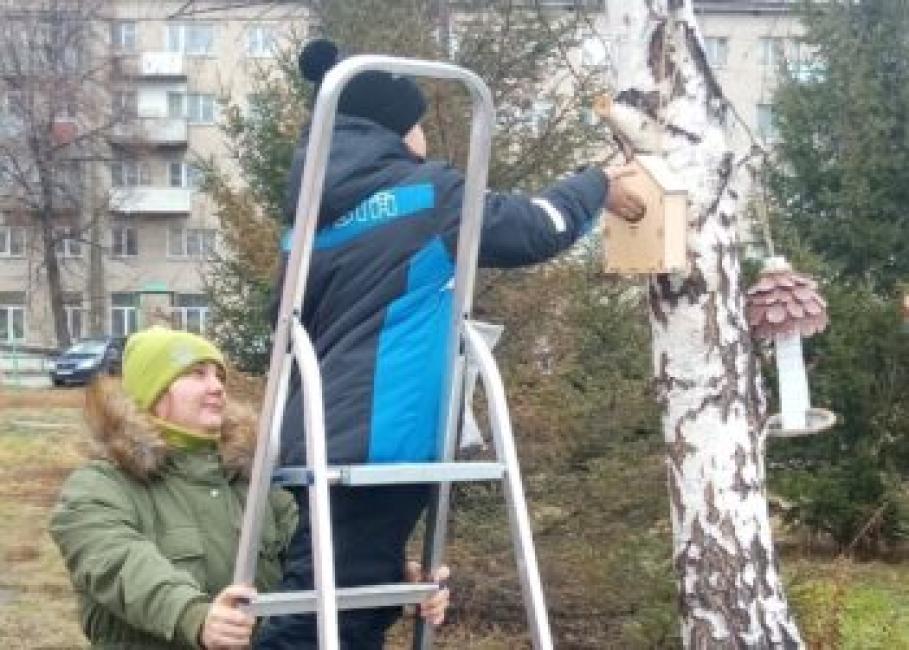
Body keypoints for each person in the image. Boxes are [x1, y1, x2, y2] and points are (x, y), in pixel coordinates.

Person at [257, 39, 646, 650]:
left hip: (317, 431)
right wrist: (595, 184)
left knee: (352, 595)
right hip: (386, 433)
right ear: (394, 128)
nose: (425, 141)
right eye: (416, 126)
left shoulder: (310, 212)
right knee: (321, 619)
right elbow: (530, 229)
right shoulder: (423, 193)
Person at [49, 326, 449, 649]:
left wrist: (396, 582)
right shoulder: (99, 488)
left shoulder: (255, 483)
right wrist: (196, 617)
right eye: (196, 374)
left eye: (220, 375)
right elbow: (121, 567)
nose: (217, 386)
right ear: (151, 392)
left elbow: (317, 557)